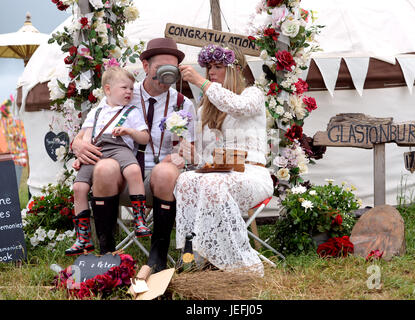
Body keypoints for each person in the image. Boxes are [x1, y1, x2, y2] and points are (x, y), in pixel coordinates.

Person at [71, 38, 196, 268]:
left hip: (158, 181)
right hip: (120, 176)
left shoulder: (182, 103)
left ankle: (157, 256)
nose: (167, 74)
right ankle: (107, 253)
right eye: (160, 68)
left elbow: (190, 152)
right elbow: (91, 128)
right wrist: (77, 145)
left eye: (172, 68)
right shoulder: (124, 91)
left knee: (166, 172)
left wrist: (181, 155)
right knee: (105, 167)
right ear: (146, 67)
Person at [177, 44, 274, 276]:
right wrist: (190, 154)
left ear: (234, 70)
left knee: (213, 184)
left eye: (218, 66)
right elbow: (203, 157)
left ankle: (240, 266)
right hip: (217, 172)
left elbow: (238, 107)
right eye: (208, 67)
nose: (211, 71)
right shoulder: (204, 109)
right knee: (186, 180)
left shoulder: (252, 94)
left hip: (251, 173)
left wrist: (200, 82)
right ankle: (193, 256)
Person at [65, 66, 151, 256]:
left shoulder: (132, 112)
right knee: (79, 187)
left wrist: (129, 131)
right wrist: (81, 155)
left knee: (133, 171)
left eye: (131, 88)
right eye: (124, 88)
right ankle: (83, 237)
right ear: (108, 89)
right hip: (97, 150)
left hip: (120, 148)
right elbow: (87, 134)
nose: (129, 91)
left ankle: (139, 219)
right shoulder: (96, 112)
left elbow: (144, 138)